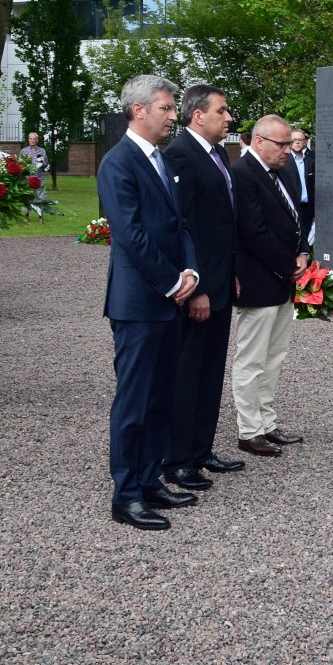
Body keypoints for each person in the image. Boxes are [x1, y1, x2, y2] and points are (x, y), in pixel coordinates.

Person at [98, 75, 200, 531]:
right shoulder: (118, 163)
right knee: (134, 401)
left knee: (161, 397)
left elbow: (180, 224)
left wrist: (191, 273)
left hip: (169, 297)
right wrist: (170, 281)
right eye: (166, 108)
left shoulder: (160, 160)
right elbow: (131, 235)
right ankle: (126, 495)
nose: (174, 115)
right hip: (140, 302)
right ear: (139, 110)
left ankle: (149, 479)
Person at [160, 84, 245, 492]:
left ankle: (200, 449)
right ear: (198, 115)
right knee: (188, 371)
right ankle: (176, 459)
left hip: (221, 283)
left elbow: (222, 225)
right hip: (198, 289)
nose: (229, 118)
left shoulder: (216, 155)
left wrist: (229, 273)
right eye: (223, 111)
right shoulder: (181, 155)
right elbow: (184, 228)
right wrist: (196, 288)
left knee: (210, 371)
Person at [230, 114, 310, 458]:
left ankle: (266, 421)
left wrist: (304, 251)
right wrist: (286, 265)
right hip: (259, 278)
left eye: (290, 144)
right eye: (281, 144)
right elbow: (253, 230)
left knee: (275, 356)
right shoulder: (242, 174)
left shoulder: (281, 171)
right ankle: (249, 429)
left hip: (283, 279)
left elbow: (297, 217)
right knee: (251, 358)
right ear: (259, 141)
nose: (288, 150)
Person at [284, 128, 315, 243]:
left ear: (305, 142)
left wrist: (314, 213)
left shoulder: (310, 162)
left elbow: (313, 188)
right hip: (291, 208)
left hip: (307, 209)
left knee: (307, 243)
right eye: (294, 140)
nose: (297, 142)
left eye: (300, 140)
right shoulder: (284, 162)